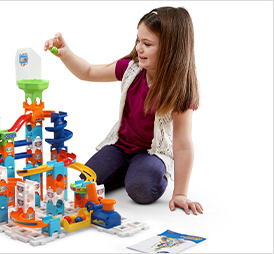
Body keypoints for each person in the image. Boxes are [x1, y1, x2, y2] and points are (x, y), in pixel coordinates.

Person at [44, 7, 203, 215]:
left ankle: (146, 173)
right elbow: (89, 71)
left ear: (170, 50)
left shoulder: (179, 90)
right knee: (86, 180)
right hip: (120, 147)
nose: (139, 48)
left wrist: (180, 193)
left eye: (147, 44)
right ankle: (126, 171)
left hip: (151, 153)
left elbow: (183, 146)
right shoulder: (131, 69)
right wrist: (65, 53)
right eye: (138, 41)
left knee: (142, 190)